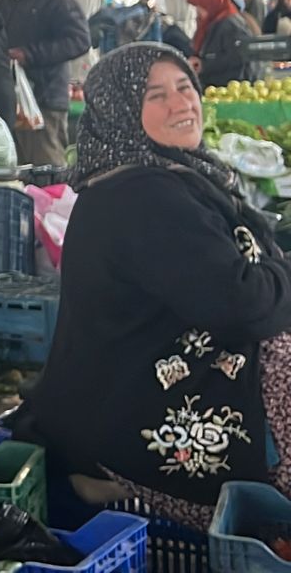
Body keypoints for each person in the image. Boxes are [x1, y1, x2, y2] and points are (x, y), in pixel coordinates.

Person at [18, 43, 291, 528]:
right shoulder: (140, 196)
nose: (181, 104)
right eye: (156, 95)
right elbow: (243, 303)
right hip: (130, 404)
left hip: (158, 364)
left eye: (185, 87)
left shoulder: (168, 175)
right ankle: (120, 479)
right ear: (122, 110)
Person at [0, 0, 91, 166]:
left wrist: (30, 54)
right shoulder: (2, 5)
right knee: (16, 169)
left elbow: (79, 40)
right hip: (13, 103)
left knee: (47, 168)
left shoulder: (56, 2)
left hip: (45, 101)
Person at [190, 0, 262, 88]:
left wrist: (205, 65)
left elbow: (237, 56)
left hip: (232, 87)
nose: (197, 11)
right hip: (223, 84)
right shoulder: (215, 22)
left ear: (211, 5)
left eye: (200, 7)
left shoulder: (229, 24)